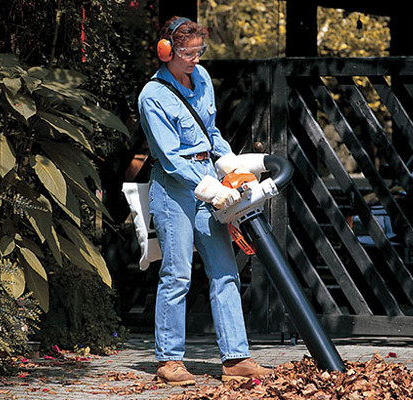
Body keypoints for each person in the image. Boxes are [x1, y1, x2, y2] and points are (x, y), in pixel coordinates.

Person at [137, 16, 271, 386]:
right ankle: (169, 361)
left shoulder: (203, 79)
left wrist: (228, 164)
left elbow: (210, 132)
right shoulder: (153, 97)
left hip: (209, 179)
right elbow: (170, 159)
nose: (195, 59)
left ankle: (236, 359)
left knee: (225, 271)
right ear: (166, 52)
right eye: (188, 53)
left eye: (200, 52)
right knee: (177, 274)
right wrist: (212, 188)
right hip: (174, 191)